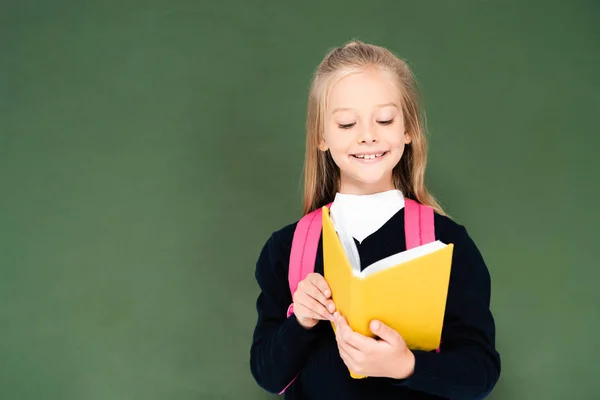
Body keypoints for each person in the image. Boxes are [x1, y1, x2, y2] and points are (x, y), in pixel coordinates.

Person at [249, 40, 501, 399]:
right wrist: (300, 322)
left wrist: (406, 366)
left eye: (384, 119)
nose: (368, 135)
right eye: (347, 123)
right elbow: (268, 375)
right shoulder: (286, 250)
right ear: (322, 136)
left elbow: (481, 373)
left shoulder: (446, 243)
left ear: (407, 129)